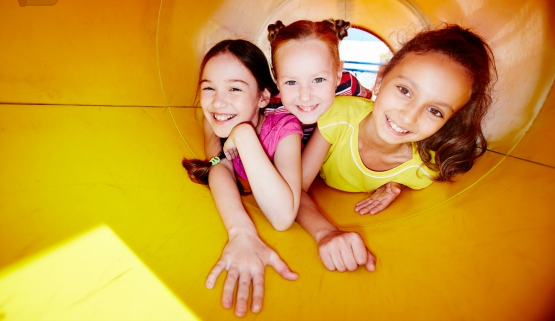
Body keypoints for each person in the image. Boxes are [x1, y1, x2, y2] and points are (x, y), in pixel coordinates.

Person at [298, 24, 497, 271]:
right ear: (380, 79)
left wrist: (396, 183)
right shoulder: (340, 115)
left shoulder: (423, 170)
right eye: (404, 90)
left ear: (449, 121)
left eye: (435, 110)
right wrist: (325, 232)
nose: (409, 116)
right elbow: (296, 191)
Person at [182, 39, 303, 317]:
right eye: (208, 88)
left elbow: (283, 217)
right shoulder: (214, 119)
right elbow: (219, 166)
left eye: (234, 88)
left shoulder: (285, 128)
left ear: (263, 97)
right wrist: (241, 232)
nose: (218, 101)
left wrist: (244, 135)